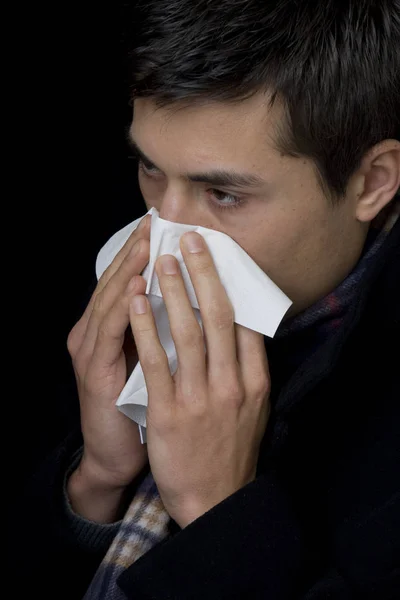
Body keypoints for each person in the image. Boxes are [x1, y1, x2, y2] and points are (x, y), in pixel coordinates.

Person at [18, 1, 399, 598]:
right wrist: (97, 478)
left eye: (222, 193)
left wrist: (217, 510)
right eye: (149, 168)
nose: (163, 231)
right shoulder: (108, 307)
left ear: (373, 182)